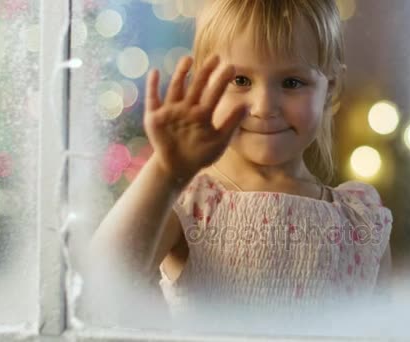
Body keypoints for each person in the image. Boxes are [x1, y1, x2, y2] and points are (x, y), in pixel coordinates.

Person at [90, 0, 393, 333]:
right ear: (205, 84)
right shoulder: (193, 202)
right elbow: (103, 279)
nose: (264, 107)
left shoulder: (362, 219)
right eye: (241, 80)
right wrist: (164, 170)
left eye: (292, 82)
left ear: (331, 87)